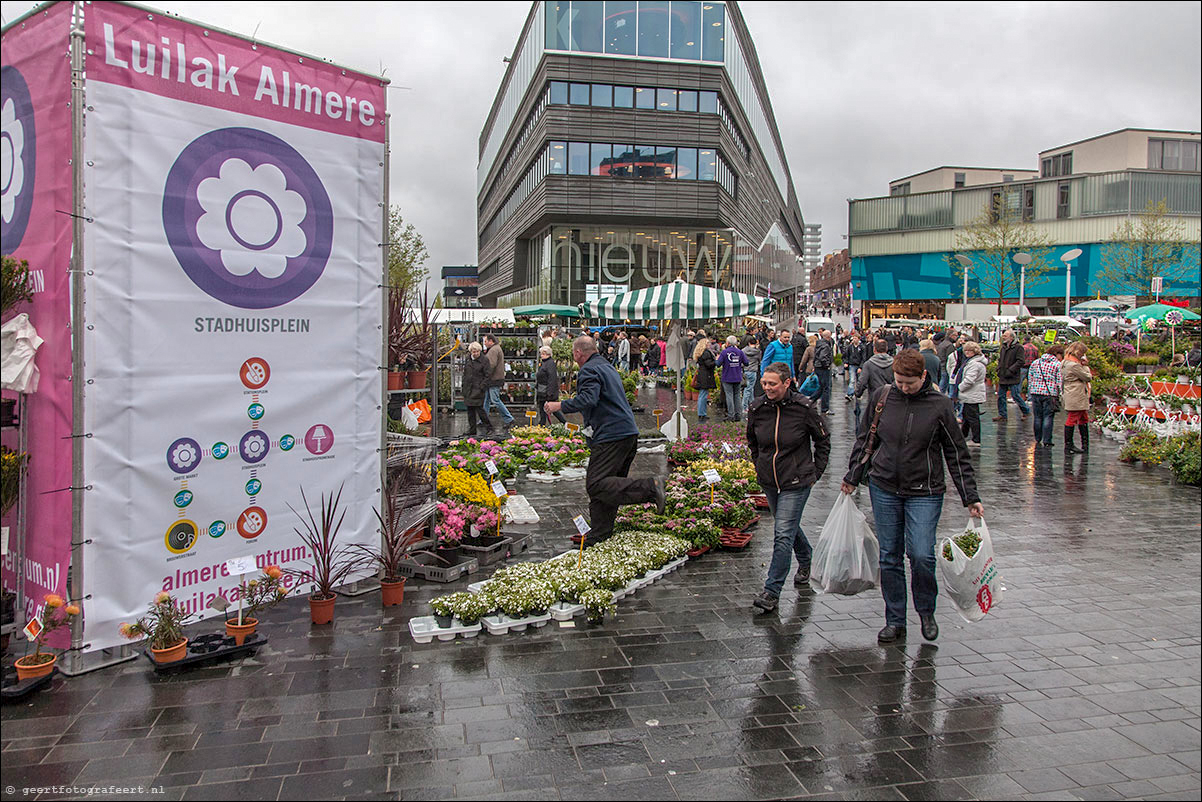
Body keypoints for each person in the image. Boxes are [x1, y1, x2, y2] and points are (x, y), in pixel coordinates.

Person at [841, 349, 984, 644]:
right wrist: (852, 477)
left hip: (925, 490)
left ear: (923, 376)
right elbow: (865, 439)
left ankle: (926, 611)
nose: (903, 388)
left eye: (909, 383)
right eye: (899, 382)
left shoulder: (940, 405)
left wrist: (970, 496)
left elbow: (957, 453)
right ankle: (894, 619)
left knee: (921, 553)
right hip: (884, 487)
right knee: (889, 556)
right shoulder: (883, 397)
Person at [543, 337, 665, 545]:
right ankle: (600, 534)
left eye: (574, 353)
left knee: (596, 484)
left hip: (612, 435)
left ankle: (650, 487)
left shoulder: (589, 370)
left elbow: (588, 399)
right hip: (626, 433)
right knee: (609, 485)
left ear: (579, 353)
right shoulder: (606, 366)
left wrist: (559, 406)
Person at [747, 362, 830, 612]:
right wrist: (758, 463)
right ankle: (805, 556)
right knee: (787, 525)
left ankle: (772, 591)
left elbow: (823, 441)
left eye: (772, 384)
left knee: (782, 533)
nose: (767, 388)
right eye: (764, 383)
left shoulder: (803, 408)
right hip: (769, 478)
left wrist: (816, 471)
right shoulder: (757, 407)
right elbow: (752, 440)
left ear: (787, 383)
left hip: (797, 478)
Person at [1027, 344, 1064, 449]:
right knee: (1048, 416)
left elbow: (1030, 377)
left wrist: (1031, 389)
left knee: (1038, 416)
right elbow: (1059, 381)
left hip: (1035, 392)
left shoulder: (1036, 362)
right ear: (1057, 354)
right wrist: (1060, 393)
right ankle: (1047, 440)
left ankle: (1038, 438)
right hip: (1050, 393)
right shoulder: (1057, 364)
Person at [855, 339, 895, 429]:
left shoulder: (869, 364)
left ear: (874, 349)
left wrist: (858, 392)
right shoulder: (893, 363)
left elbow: (862, 382)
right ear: (887, 348)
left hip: (874, 398)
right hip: (891, 397)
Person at [1061, 342, 1093, 454]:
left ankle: (1084, 443)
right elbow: (1088, 377)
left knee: (1083, 416)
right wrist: (1085, 366)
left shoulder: (1065, 362)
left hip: (1071, 392)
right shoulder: (1074, 365)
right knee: (1073, 417)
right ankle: (1069, 445)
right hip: (1076, 393)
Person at [993, 329, 1030, 422]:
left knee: (1015, 395)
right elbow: (1001, 359)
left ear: (1012, 337)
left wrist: (1011, 370)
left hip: (1012, 376)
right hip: (1003, 375)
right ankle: (1002, 415)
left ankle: (1025, 411)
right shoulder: (1004, 348)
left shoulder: (1018, 348)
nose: (1003, 337)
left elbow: (1021, 361)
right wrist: (998, 368)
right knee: (1001, 396)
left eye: (1006, 336)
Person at [958, 341, 987, 447]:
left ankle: (976, 439)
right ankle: (962, 435)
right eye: (965, 350)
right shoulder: (974, 362)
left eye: (969, 350)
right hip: (971, 393)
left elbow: (970, 380)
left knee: (972, 417)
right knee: (967, 415)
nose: (967, 352)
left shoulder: (974, 364)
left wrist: (960, 387)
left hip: (971, 393)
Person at [482, 334, 515, 429]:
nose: (485, 343)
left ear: (491, 341)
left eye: (486, 341)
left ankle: (509, 419)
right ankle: (484, 419)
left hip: (494, 379)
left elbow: (491, 365)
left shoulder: (493, 350)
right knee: (487, 400)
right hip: (494, 379)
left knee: (494, 400)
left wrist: (485, 375)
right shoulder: (496, 348)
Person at [461, 342, 494, 437]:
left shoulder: (484, 360)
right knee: (470, 410)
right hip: (468, 388)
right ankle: (472, 429)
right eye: (473, 352)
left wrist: (482, 386)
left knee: (480, 410)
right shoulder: (468, 359)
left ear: (480, 351)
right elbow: (465, 373)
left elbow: (487, 375)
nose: (475, 353)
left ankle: (489, 427)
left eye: (476, 352)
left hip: (478, 388)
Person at [717, 335, 749, 421]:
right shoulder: (740, 352)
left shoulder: (724, 352)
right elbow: (746, 363)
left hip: (727, 377)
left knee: (729, 396)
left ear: (727, 343)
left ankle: (731, 415)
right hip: (737, 376)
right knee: (737, 396)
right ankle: (738, 414)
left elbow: (718, 364)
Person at [535, 345, 567, 426]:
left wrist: (549, 393)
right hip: (543, 390)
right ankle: (541, 425)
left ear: (548, 354)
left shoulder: (549, 364)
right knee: (544, 410)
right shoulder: (545, 363)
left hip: (546, 391)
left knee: (551, 409)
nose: (541, 355)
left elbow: (552, 379)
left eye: (543, 353)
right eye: (541, 353)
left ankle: (565, 423)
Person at [693, 337, 717, 421]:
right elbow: (709, 364)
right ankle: (702, 414)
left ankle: (702, 413)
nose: (709, 344)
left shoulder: (700, 353)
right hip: (706, 375)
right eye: (708, 343)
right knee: (703, 395)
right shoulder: (706, 352)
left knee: (702, 394)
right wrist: (716, 361)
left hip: (702, 374)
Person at [813, 329, 835, 413]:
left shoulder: (819, 343)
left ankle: (811, 400)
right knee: (826, 388)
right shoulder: (825, 346)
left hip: (818, 367)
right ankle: (825, 408)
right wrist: (827, 365)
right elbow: (823, 357)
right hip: (823, 368)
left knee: (822, 387)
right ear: (828, 337)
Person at [741, 338, 761, 413]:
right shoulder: (758, 351)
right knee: (749, 389)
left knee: (749, 388)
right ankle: (745, 406)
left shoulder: (743, 351)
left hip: (746, 370)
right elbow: (760, 360)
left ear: (749, 343)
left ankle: (751, 404)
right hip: (753, 370)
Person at [935, 329, 958, 394]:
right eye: (955, 335)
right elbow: (950, 358)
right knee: (943, 386)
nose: (957, 337)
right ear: (951, 335)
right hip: (945, 367)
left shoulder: (942, 343)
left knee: (942, 385)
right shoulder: (949, 345)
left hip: (941, 366)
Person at [843, 333, 864, 403]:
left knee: (859, 381)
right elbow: (846, 355)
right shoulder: (850, 347)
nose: (854, 339)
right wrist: (846, 362)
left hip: (858, 365)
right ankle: (850, 394)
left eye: (855, 338)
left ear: (858, 339)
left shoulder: (862, 347)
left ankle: (858, 393)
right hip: (852, 365)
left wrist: (861, 367)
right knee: (852, 380)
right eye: (853, 338)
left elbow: (863, 358)